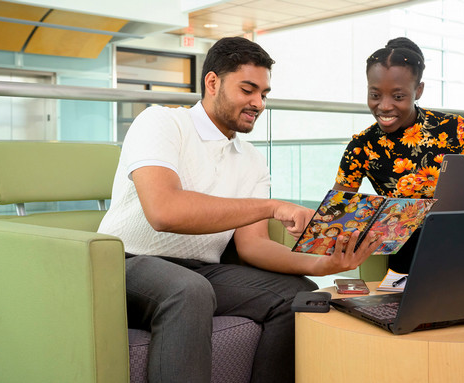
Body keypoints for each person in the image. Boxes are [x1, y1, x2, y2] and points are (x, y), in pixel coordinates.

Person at [98, 36, 383, 383]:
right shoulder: (160, 123)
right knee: (188, 290)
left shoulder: (251, 159)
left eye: (263, 94)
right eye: (248, 89)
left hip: (203, 271)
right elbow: (164, 212)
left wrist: (322, 265)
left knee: (301, 295)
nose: (258, 103)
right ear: (212, 82)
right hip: (125, 264)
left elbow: (253, 246)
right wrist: (273, 207)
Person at [332, 37, 464, 272]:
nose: (384, 106)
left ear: (418, 90)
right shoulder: (361, 145)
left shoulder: (455, 128)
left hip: (460, 236)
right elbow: (337, 210)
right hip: (407, 246)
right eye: (375, 95)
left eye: (398, 96)